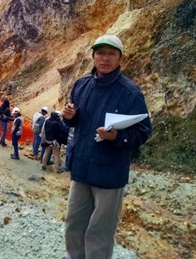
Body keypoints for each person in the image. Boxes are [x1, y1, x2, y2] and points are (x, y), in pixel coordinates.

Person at [62, 35, 152, 259]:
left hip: (110, 173)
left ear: (120, 58)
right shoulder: (81, 85)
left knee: (99, 232)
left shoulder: (130, 93)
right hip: (81, 169)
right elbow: (77, 122)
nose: (105, 58)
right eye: (100, 53)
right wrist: (70, 117)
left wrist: (117, 137)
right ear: (93, 56)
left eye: (111, 53)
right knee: (73, 225)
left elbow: (143, 131)